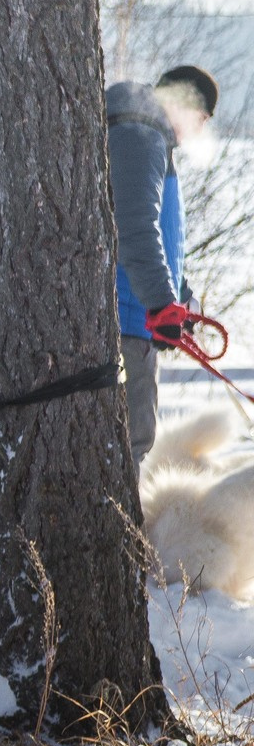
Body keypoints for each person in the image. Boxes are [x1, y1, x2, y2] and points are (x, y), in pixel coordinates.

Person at [109, 64, 219, 461]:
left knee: (134, 442)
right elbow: (134, 227)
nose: (200, 130)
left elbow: (159, 234)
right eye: (202, 118)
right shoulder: (140, 135)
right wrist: (161, 304)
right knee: (131, 444)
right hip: (126, 319)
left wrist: (181, 297)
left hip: (138, 315)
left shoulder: (148, 136)